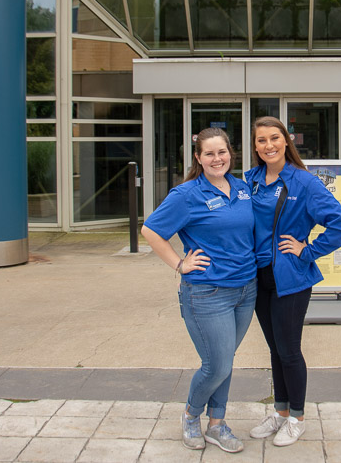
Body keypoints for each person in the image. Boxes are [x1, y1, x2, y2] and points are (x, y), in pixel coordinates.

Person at [141, 127, 256, 454]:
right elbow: (150, 230)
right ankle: (191, 415)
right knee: (216, 365)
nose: (217, 159)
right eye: (210, 153)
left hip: (247, 289)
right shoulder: (186, 194)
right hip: (208, 293)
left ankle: (217, 424)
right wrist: (179, 264)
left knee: (226, 361)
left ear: (230, 153)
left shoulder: (242, 187)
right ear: (198, 158)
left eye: (222, 152)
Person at [245, 116, 341, 446]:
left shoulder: (304, 182)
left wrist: (307, 250)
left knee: (289, 350)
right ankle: (279, 412)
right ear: (255, 146)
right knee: (275, 350)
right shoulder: (250, 180)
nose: (268, 145)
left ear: (286, 141)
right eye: (261, 140)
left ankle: (298, 417)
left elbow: (339, 224)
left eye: (274, 138)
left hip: (290, 279)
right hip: (258, 277)